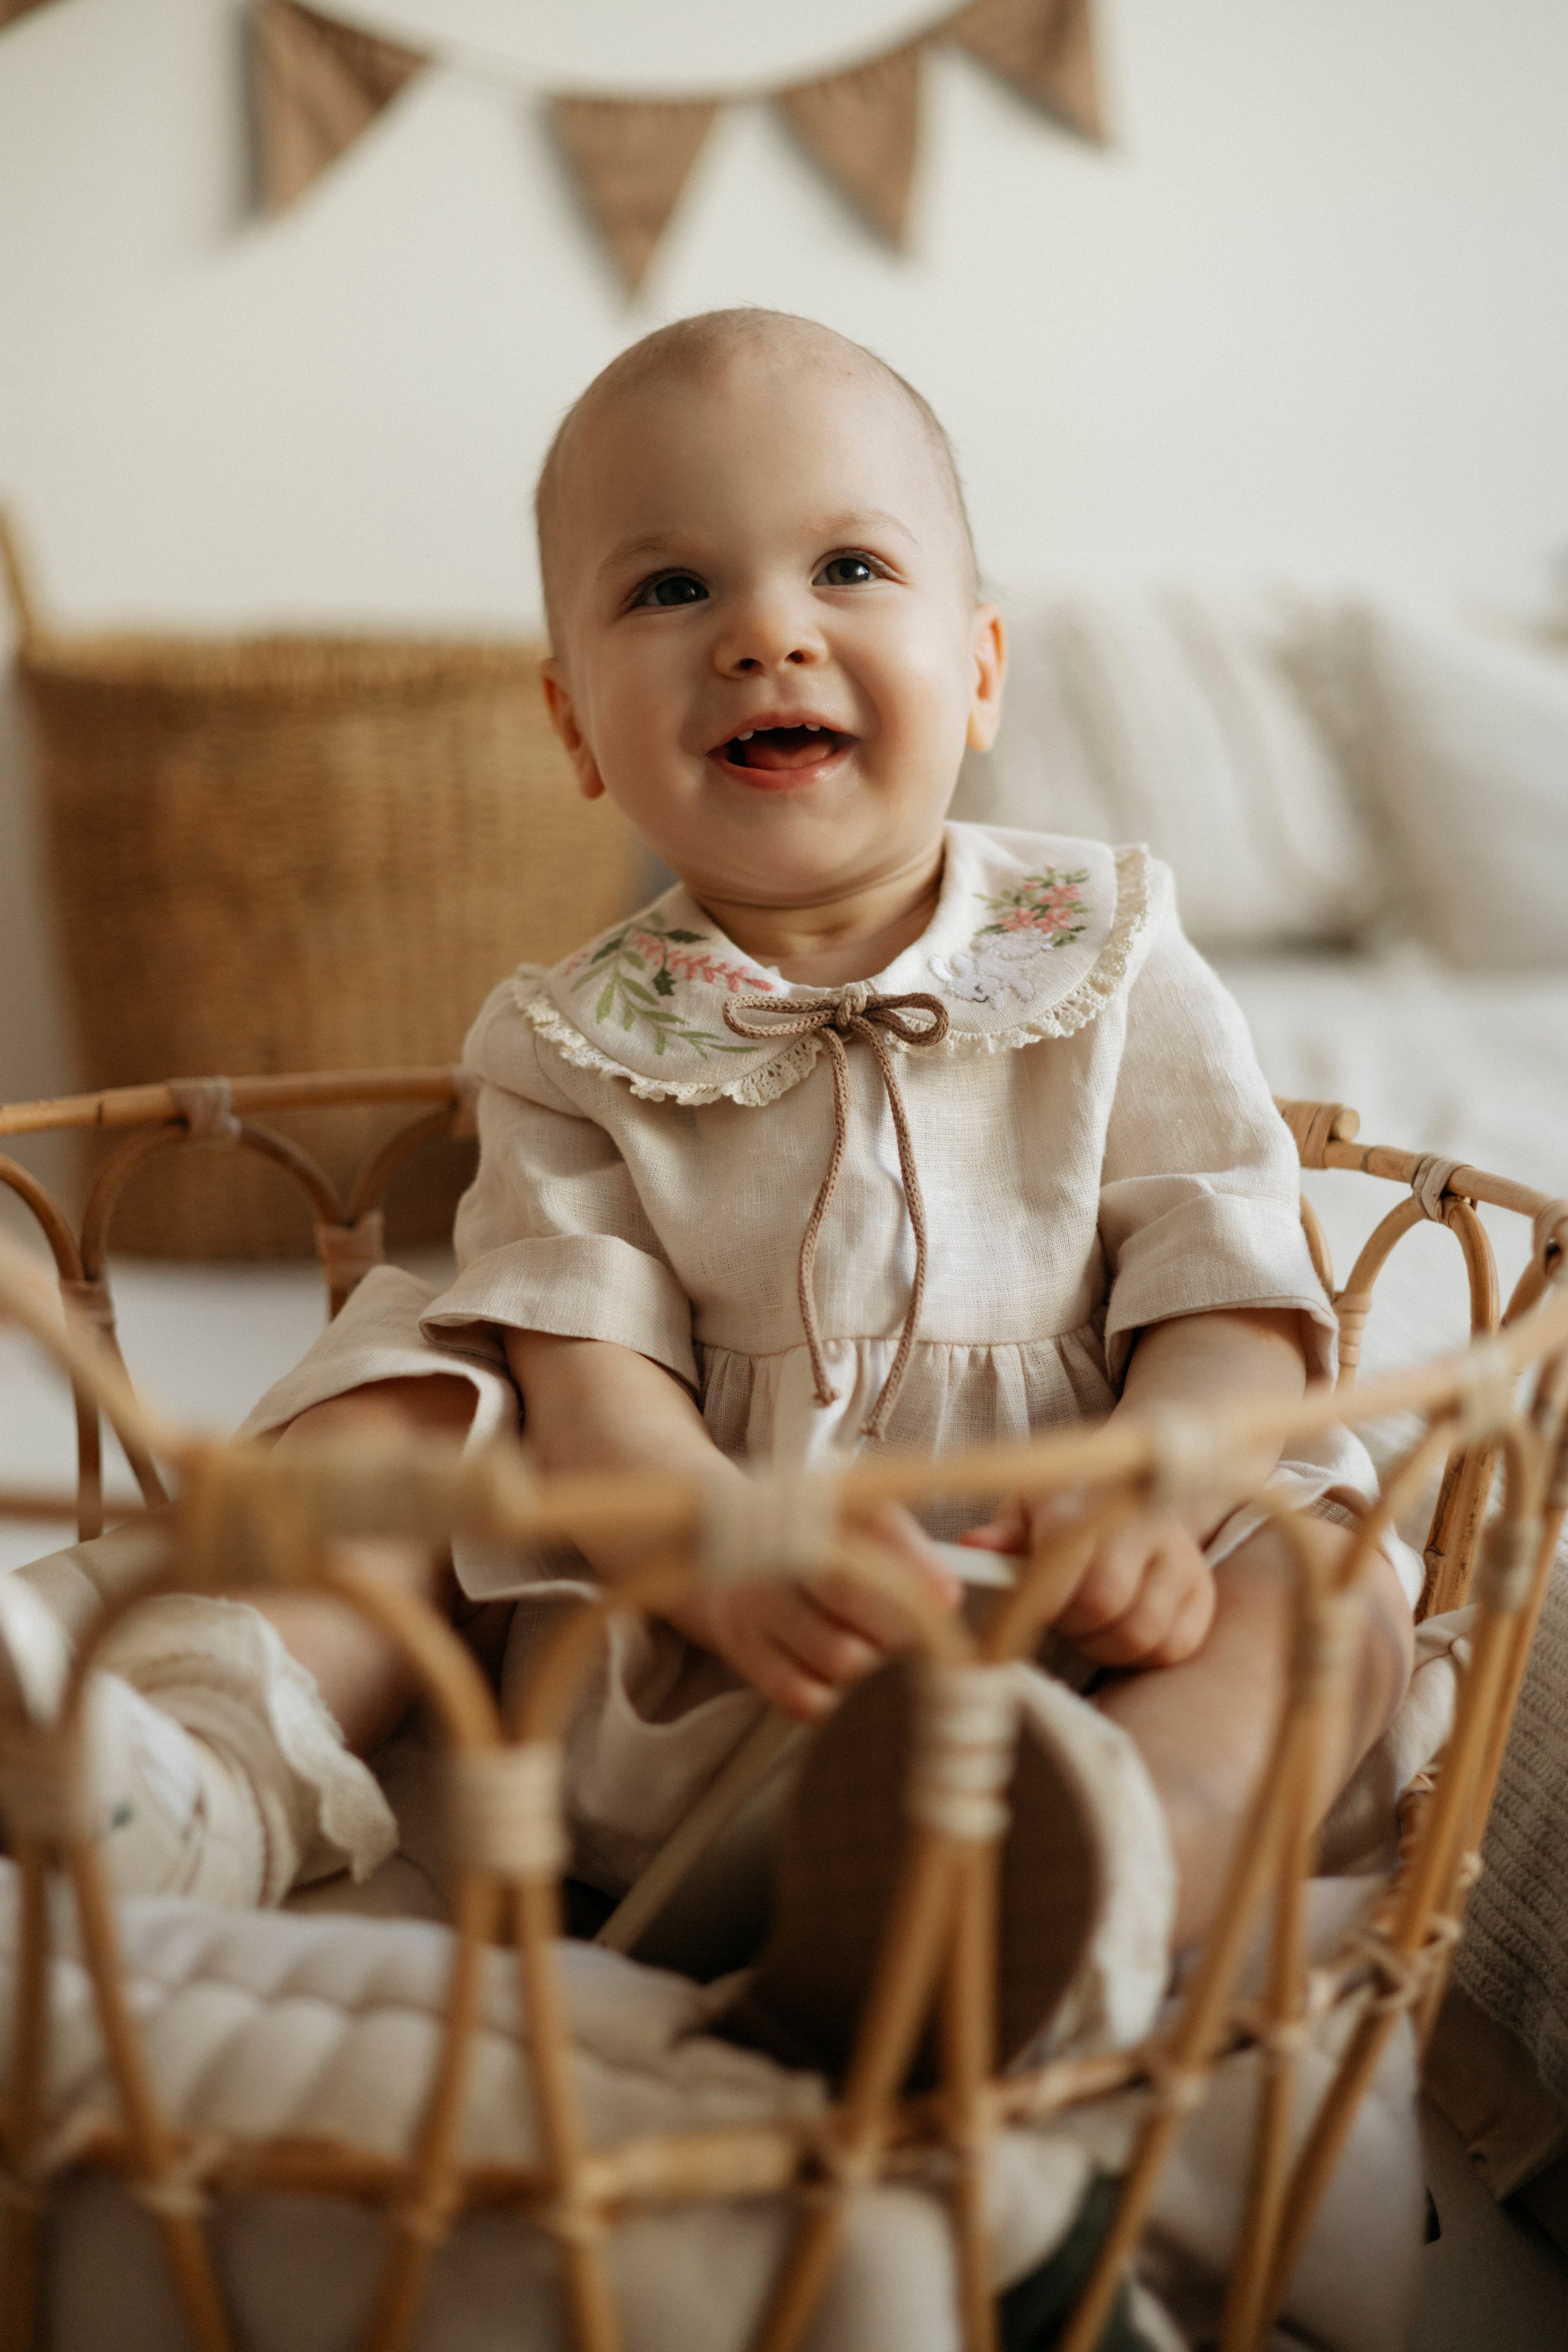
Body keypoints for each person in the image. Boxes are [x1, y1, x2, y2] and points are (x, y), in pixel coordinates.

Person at [9, 311, 1415, 2071]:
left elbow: (1232, 1286)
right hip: (750, 1664)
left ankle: (1112, 1875)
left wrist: (1161, 1479)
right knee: (436, 1384)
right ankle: (203, 1771)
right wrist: (723, 1558)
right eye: (669, 590)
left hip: (1110, 1602)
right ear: (573, 723)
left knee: (1330, 1572)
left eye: (848, 564)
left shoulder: (1109, 950)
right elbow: (595, 1403)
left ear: (980, 669)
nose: (765, 631)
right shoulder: (569, 1043)